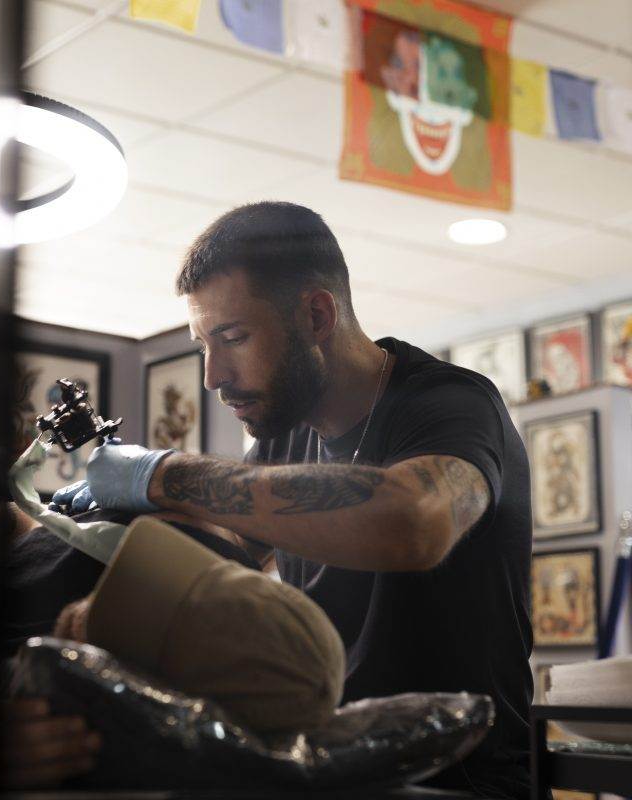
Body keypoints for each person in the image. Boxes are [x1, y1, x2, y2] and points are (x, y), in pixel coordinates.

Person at [37, 202, 534, 798]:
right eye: (202, 345)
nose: (212, 375)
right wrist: (72, 542)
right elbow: (218, 554)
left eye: (233, 337)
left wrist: (160, 472)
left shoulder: (448, 404)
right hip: (334, 772)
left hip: (461, 780)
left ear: (317, 315)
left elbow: (412, 521)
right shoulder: (285, 438)